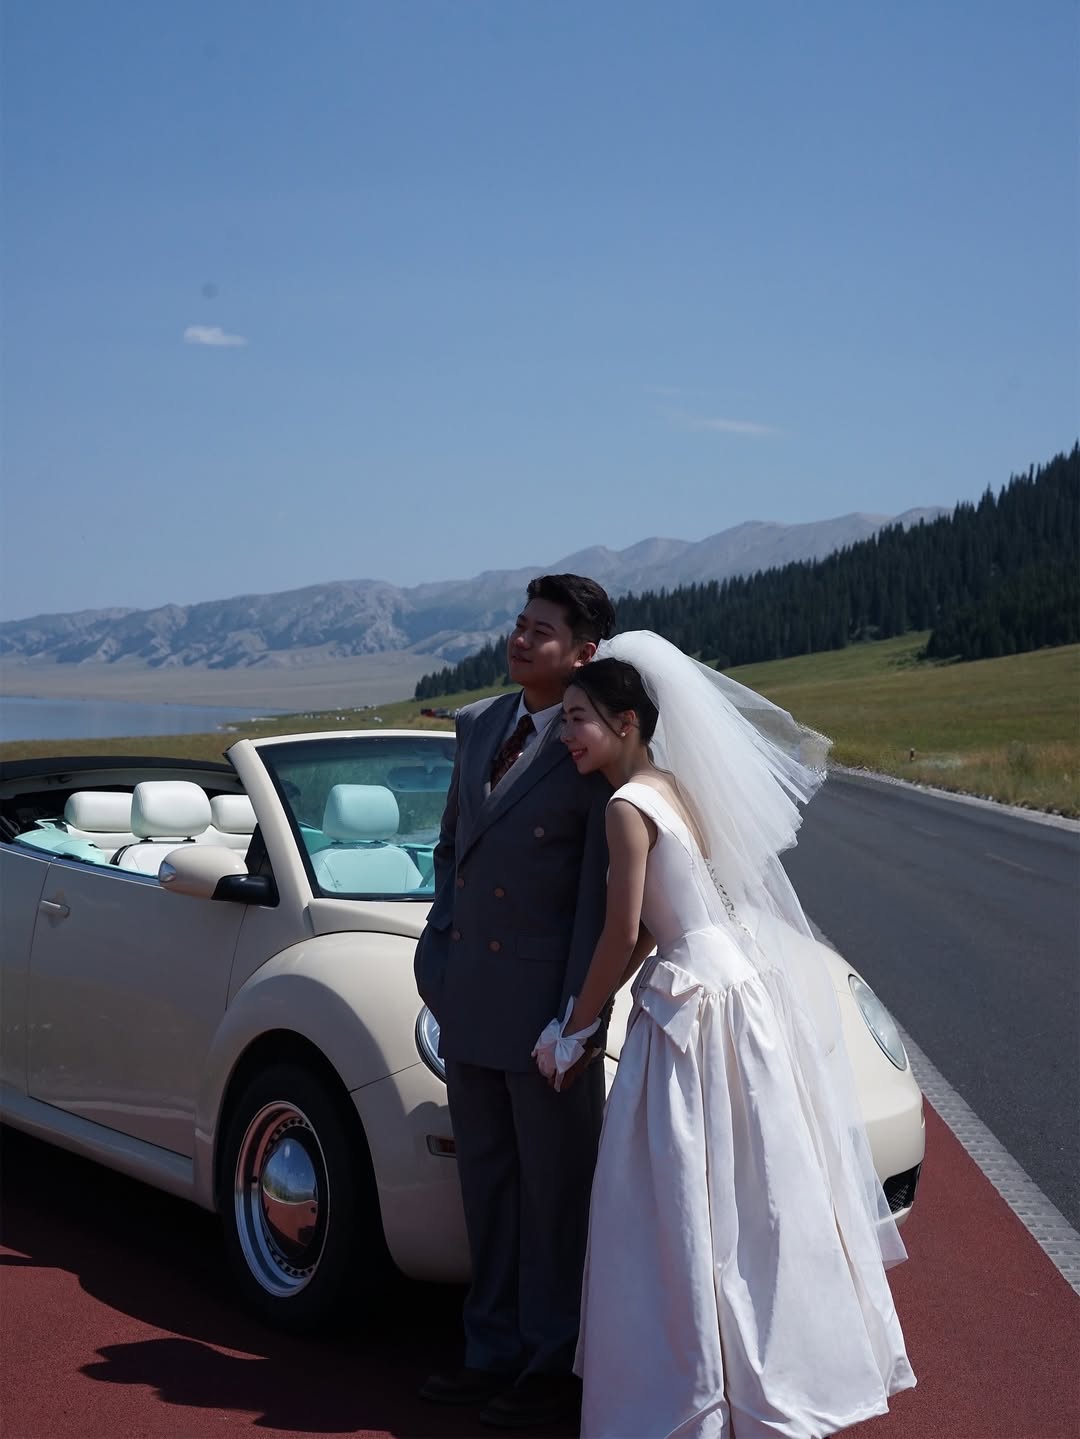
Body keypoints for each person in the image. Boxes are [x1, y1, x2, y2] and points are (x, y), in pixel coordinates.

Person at [535, 633, 916, 1439]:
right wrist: (591, 1012)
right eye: (563, 719)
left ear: (626, 721)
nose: (565, 734)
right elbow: (660, 920)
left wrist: (571, 1027)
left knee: (681, 1193)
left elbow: (623, 932)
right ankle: (771, 1369)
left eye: (578, 718)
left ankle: (697, 1390)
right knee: (759, 1185)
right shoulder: (671, 787)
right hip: (740, 986)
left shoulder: (624, 807)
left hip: (695, 1007)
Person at [414, 574, 636, 1431]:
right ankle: (490, 1351)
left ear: (583, 653)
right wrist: (438, 949)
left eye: (541, 631)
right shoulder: (478, 725)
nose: (520, 639)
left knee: (553, 1198)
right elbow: (450, 848)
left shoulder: (589, 750)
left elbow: (596, 904)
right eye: (518, 624)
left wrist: (576, 1023)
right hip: (469, 998)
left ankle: (550, 1364)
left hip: (548, 1018)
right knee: (487, 1187)